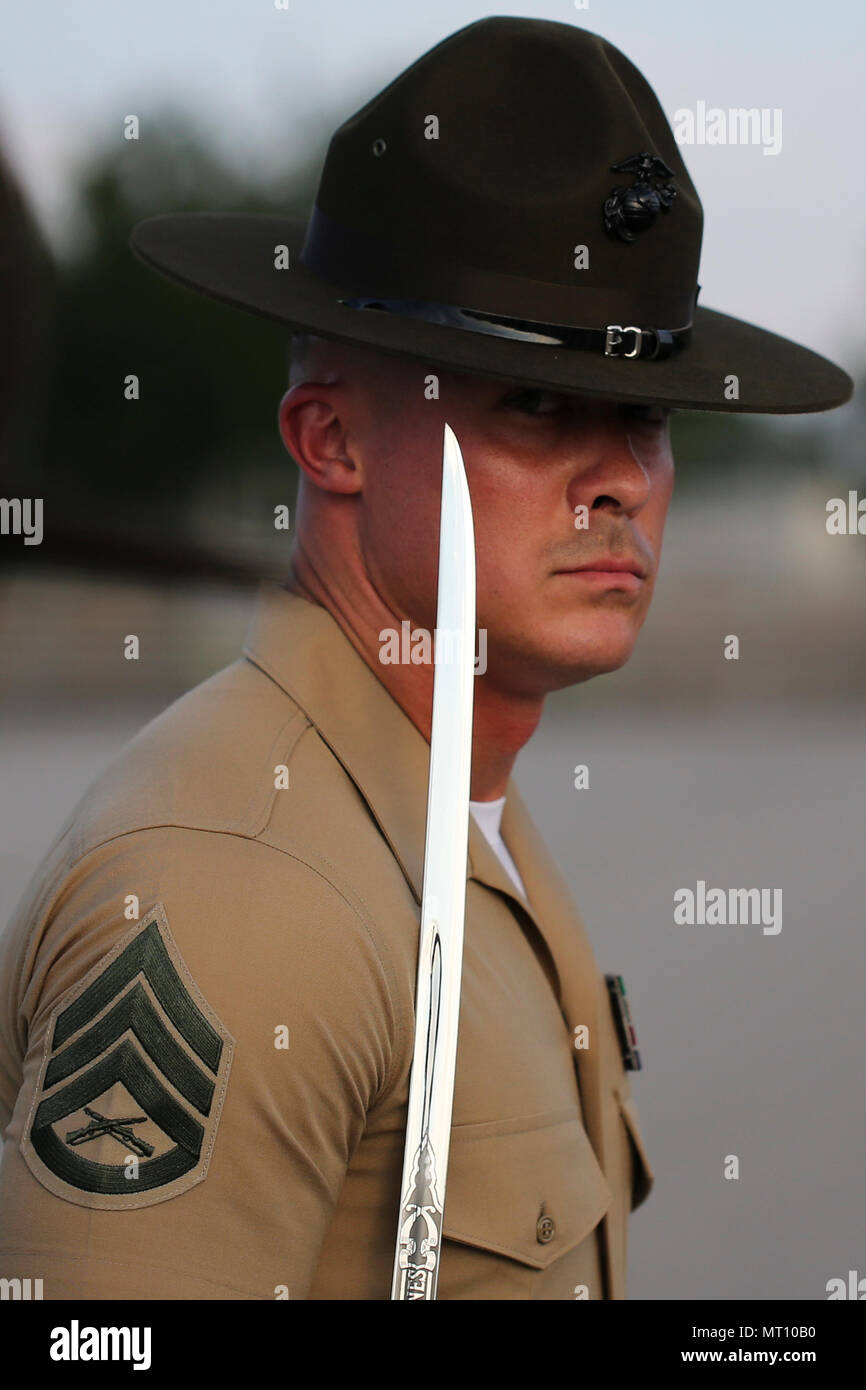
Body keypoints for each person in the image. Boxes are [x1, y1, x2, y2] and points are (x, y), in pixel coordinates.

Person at [0, 16, 851, 1300]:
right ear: (330, 438)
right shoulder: (238, 889)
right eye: (533, 404)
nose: (619, 478)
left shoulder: (455, 805)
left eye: (646, 415)